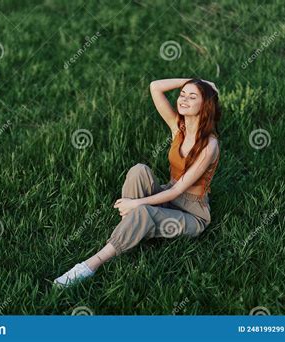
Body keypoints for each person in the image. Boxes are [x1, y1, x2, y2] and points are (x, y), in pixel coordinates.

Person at [53, 78, 221, 287]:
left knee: (142, 211)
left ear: (205, 104)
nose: (183, 99)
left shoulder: (209, 145)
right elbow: (155, 87)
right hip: (169, 197)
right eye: (182, 94)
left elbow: (177, 190)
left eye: (192, 96)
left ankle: (88, 266)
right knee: (138, 171)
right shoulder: (178, 127)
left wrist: (135, 204)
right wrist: (194, 82)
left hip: (192, 213)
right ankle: (134, 229)